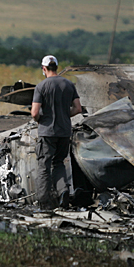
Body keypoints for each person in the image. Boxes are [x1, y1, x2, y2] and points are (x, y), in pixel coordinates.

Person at [31, 55, 83, 210]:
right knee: (59, 163)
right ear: (57, 67)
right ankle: (63, 191)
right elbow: (78, 108)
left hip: (47, 132)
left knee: (44, 166)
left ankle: (44, 202)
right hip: (64, 131)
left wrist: (41, 119)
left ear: (44, 68)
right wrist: (65, 116)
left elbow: (34, 113)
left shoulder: (41, 86)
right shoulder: (68, 84)